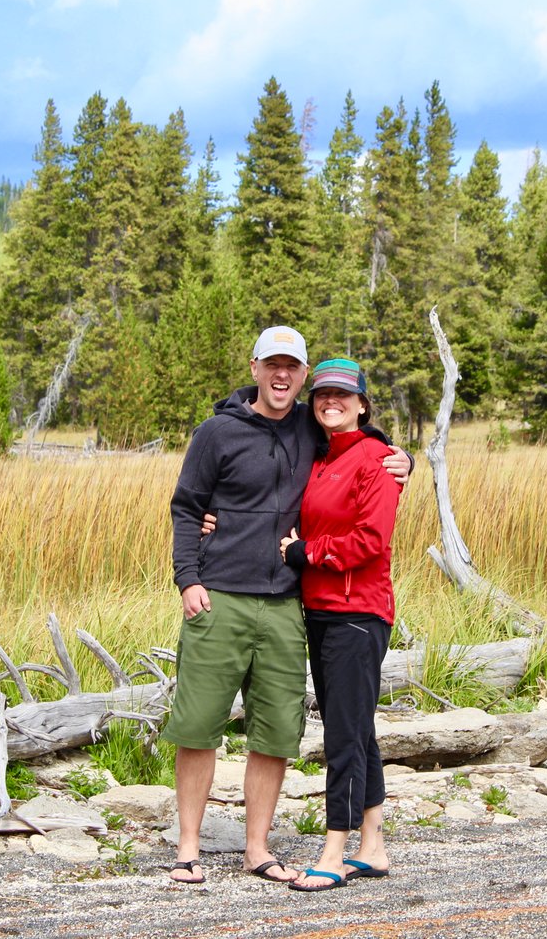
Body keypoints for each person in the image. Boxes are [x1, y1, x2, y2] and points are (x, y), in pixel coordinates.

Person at [164, 327, 410, 885]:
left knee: (276, 731)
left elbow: (368, 443)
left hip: (286, 604)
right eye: (272, 364)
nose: (282, 376)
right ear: (254, 367)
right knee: (199, 725)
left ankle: (257, 850)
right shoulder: (217, 432)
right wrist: (187, 579)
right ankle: (187, 848)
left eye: (292, 368)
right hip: (219, 595)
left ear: (300, 376)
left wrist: (406, 460)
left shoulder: (311, 425)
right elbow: (186, 507)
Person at [280, 358, 399, 892]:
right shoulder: (322, 456)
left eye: (343, 396)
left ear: (362, 404)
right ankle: (372, 847)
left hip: (358, 612)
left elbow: (370, 541)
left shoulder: (376, 461)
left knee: (344, 735)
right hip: (322, 611)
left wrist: (306, 552)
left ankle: (334, 848)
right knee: (356, 727)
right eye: (324, 394)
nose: (332, 402)